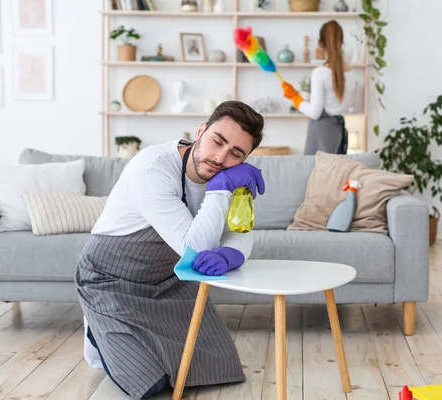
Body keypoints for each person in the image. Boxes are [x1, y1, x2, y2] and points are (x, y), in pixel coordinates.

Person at [75, 100, 266, 399]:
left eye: (236, 154)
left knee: (218, 368)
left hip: (169, 280)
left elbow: (241, 231)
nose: (220, 157)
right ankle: (97, 328)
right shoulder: (152, 168)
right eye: (218, 141)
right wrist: (221, 187)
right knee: (149, 384)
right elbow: (193, 247)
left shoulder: (232, 177)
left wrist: (231, 253)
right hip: (109, 280)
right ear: (201, 130)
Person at [281, 20, 353, 155]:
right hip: (339, 131)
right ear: (342, 43)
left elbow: (315, 112)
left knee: (315, 173)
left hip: (321, 133)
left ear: (320, 44)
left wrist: (295, 98)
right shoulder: (351, 72)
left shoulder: (319, 73)